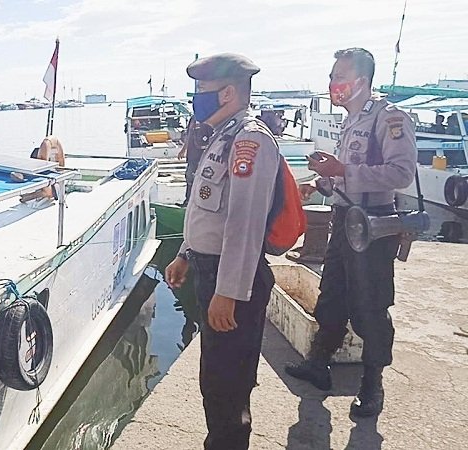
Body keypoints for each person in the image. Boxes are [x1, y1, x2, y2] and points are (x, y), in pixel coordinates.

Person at [286, 48, 417, 418]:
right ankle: (318, 363)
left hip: (374, 223)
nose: (333, 83)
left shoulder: (389, 117)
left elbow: (401, 173)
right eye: (331, 76)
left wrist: (342, 170)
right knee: (332, 296)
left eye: (339, 76)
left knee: (370, 306)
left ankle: (372, 385)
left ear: (362, 80)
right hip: (345, 218)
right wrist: (319, 182)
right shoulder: (351, 119)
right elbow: (346, 173)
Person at [164, 53, 279, 450]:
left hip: (232, 279)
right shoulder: (220, 135)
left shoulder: (249, 140)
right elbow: (206, 208)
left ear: (227, 93)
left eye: (202, 90)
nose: (196, 98)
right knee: (214, 379)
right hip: (209, 269)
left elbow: (244, 223)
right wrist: (186, 252)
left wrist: (228, 291)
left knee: (228, 387)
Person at [176, 118, 212, 207]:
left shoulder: (209, 119)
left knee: (202, 180)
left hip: (202, 156)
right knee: (189, 177)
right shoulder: (193, 119)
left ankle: (199, 203)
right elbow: (189, 135)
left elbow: (211, 139)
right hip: (192, 155)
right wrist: (183, 150)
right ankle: (188, 201)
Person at [19, 135, 66, 204]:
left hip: (51, 185)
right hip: (47, 183)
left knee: (49, 191)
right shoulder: (32, 173)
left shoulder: (51, 176)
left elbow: (49, 192)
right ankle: (30, 196)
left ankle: (30, 196)